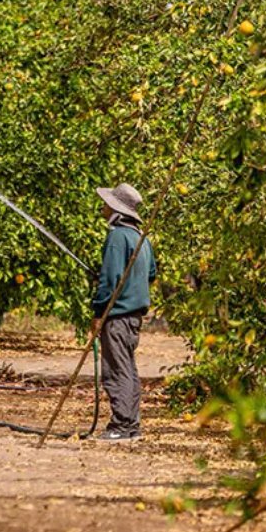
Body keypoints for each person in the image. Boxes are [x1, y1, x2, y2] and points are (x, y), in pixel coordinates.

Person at [90, 182, 157, 441]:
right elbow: (150, 274)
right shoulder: (141, 238)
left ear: (117, 209)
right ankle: (131, 424)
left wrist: (99, 313)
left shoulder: (118, 236)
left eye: (107, 203)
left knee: (116, 370)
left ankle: (121, 425)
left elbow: (109, 280)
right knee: (127, 368)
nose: (103, 206)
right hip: (133, 317)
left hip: (117, 316)